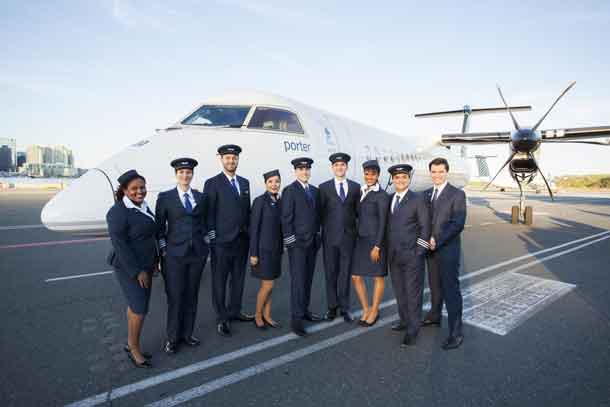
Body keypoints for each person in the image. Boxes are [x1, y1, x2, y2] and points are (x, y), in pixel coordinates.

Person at [155, 158, 208, 355]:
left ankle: (187, 334)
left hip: (197, 255)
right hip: (174, 256)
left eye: (188, 172)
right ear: (176, 174)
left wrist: (206, 243)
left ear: (192, 174)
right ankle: (172, 338)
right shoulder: (166, 197)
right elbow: (159, 228)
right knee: (176, 297)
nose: (185, 175)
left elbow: (204, 222)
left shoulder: (200, 197)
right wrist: (164, 251)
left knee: (192, 295)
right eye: (181, 172)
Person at [106, 169, 157, 368]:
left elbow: (148, 236)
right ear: (125, 190)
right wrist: (137, 272)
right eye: (134, 188)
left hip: (146, 264)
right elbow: (120, 245)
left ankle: (130, 342)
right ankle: (134, 348)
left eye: (142, 187)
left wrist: (155, 261)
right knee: (140, 308)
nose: (139, 191)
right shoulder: (118, 211)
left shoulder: (143, 206)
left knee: (136, 306)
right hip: (130, 268)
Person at [204, 144, 253, 337]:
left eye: (234, 158)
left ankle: (235, 311)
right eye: (227, 158)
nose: (231, 161)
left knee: (238, 279)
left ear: (238, 160)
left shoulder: (244, 182)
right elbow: (209, 213)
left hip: (241, 240)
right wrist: (213, 237)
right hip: (222, 242)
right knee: (220, 280)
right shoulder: (212, 183)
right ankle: (222, 317)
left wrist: (249, 233)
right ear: (221, 160)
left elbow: (246, 211)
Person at [423, 157, 467, 350]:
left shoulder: (457, 195)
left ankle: (456, 333)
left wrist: (437, 241)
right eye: (434, 171)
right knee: (434, 286)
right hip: (430, 251)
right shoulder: (425, 194)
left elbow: (457, 224)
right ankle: (434, 316)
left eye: (440, 171)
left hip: (447, 250)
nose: (437, 175)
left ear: (446, 172)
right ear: (430, 173)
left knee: (451, 290)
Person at [386, 164, 431, 347]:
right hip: (394, 256)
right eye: (397, 178)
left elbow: (425, 226)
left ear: (408, 179)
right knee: (400, 291)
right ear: (393, 179)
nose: (400, 180)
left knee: (413, 293)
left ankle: (413, 329)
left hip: (412, 255)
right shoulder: (390, 199)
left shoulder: (417, 199)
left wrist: (419, 252)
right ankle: (404, 320)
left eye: (404, 177)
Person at [281, 157, 324, 337]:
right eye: (301, 169)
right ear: (295, 171)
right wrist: (290, 241)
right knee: (298, 282)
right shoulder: (290, 190)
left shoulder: (314, 191)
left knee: (307, 279)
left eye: (307, 169)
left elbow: (318, 215)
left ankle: (305, 310)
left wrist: (319, 235)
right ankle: (296, 320)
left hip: (312, 242)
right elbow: (286, 218)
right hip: (297, 244)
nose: (304, 172)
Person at [319, 152, 360, 322]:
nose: (339, 168)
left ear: (346, 167)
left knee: (345, 274)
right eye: (336, 165)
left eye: (342, 165)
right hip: (330, 238)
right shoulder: (324, 188)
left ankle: (344, 308)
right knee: (330, 273)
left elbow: (358, 212)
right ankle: (331, 307)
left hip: (348, 238)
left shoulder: (356, 187)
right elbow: (320, 212)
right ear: (332, 168)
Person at [351, 160, 389, 327]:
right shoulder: (361, 192)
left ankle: (374, 310)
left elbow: (383, 223)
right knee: (355, 276)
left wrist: (377, 246)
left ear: (378, 175)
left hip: (375, 241)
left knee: (377, 276)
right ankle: (365, 308)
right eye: (367, 173)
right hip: (361, 240)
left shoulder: (382, 196)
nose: (369, 176)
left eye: (373, 174)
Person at [249, 169, 283, 330]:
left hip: (276, 250)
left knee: (271, 285)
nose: (274, 184)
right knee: (267, 285)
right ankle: (257, 315)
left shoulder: (280, 201)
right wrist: (253, 253)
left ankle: (267, 315)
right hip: (263, 251)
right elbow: (254, 229)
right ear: (265, 184)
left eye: (277, 181)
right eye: (271, 182)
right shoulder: (259, 201)